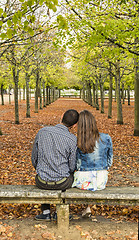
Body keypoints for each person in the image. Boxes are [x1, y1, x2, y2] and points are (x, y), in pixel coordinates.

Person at [31, 109, 79, 221]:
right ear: (75, 125)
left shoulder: (42, 132)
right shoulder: (72, 140)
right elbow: (72, 166)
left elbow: (34, 158)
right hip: (62, 183)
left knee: (43, 175)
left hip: (42, 181)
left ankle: (46, 212)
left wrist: (41, 169)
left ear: (61, 115)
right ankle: (59, 212)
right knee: (69, 176)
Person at [72, 110, 113, 217]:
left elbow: (76, 164)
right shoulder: (106, 137)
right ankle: (88, 207)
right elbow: (109, 161)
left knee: (79, 176)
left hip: (83, 181)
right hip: (100, 180)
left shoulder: (78, 140)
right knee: (94, 178)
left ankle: (87, 207)